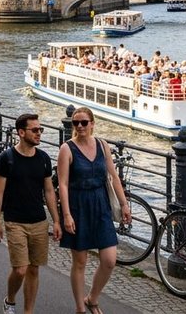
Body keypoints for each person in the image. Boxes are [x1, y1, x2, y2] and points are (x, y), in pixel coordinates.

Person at [57, 107, 129, 314]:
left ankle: (92, 298)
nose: (80, 126)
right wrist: (67, 215)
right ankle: (80, 307)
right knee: (80, 261)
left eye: (84, 122)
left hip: (101, 204)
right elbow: (62, 184)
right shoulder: (67, 149)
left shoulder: (102, 145)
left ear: (92, 123)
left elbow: (113, 177)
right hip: (78, 205)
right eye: (76, 123)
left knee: (109, 260)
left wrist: (124, 204)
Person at [0, 114, 60, 314]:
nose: (39, 133)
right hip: (15, 221)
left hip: (39, 221)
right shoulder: (7, 159)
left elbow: (48, 191)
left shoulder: (44, 159)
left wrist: (56, 220)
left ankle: (28, 311)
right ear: (21, 133)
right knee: (20, 268)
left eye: (41, 130)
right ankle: (10, 300)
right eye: (35, 130)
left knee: (34, 269)